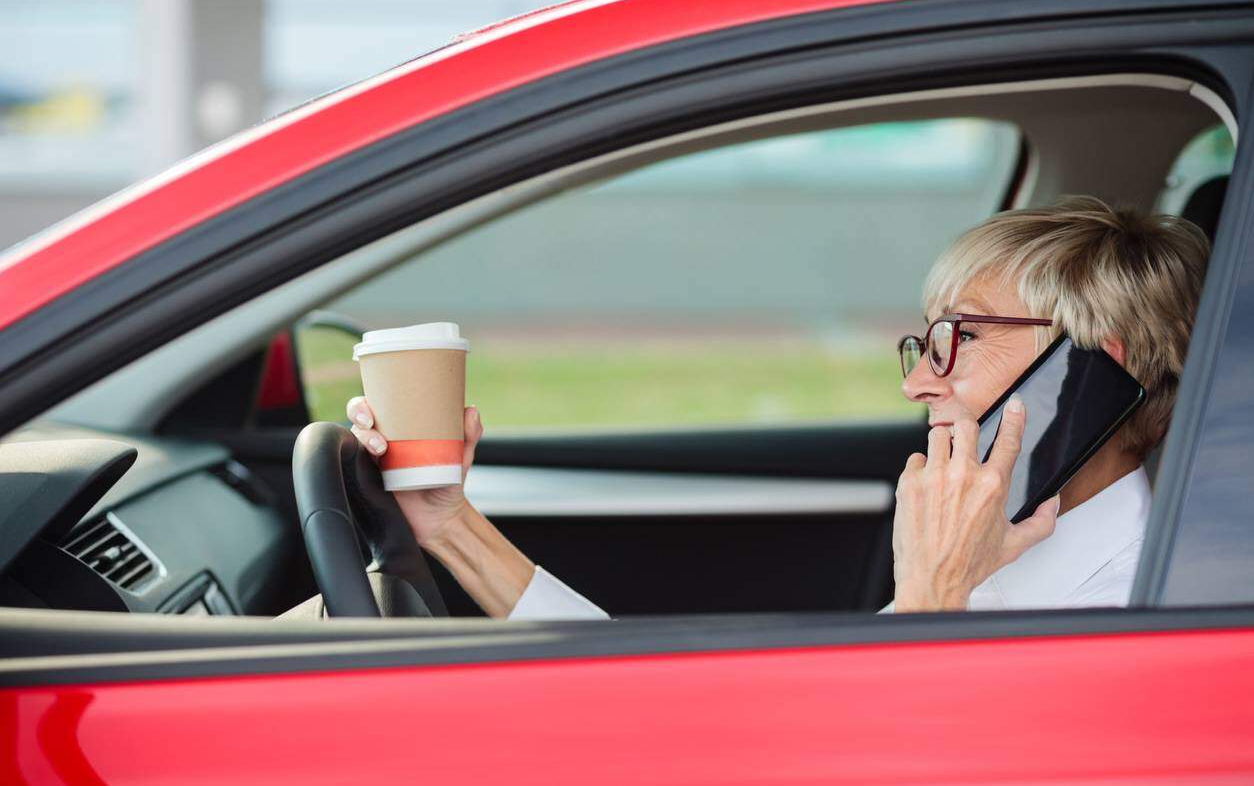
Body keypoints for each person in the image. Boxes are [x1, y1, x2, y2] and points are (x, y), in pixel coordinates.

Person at [347, 196, 1209, 618]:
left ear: (1098, 369)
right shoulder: (1003, 536)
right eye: (925, 344)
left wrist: (929, 601)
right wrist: (448, 523)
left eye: (963, 339)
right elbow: (704, 722)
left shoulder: (1138, 601)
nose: (917, 384)